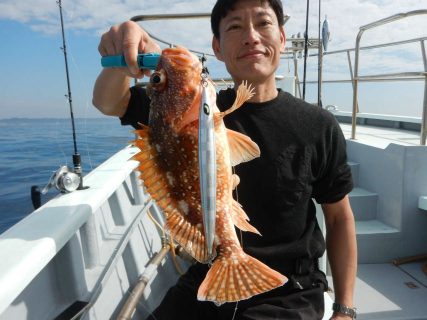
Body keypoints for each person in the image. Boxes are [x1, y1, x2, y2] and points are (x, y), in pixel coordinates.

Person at [93, 0, 357, 319]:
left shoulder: (317, 126)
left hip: (291, 290)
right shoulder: (179, 112)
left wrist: (344, 308)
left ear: (283, 39)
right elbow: (109, 103)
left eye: (263, 23)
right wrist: (120, 63)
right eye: (234, 27)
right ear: (217, 48)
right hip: (208, 273)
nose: (251, 36)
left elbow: (339, 218)